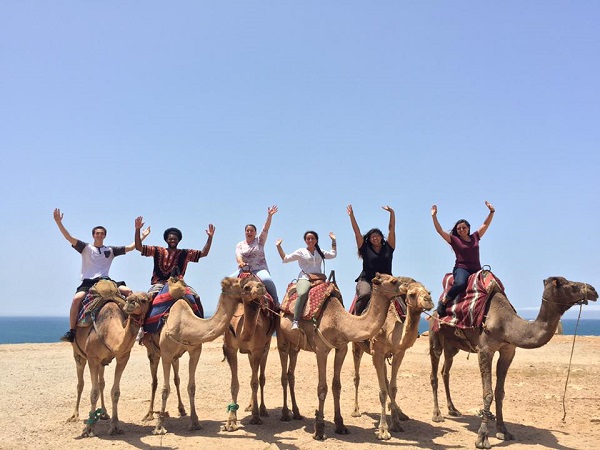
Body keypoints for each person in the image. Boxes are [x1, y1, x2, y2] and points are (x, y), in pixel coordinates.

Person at [54, 208, 150, 342]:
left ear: (105, 236)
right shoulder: (85, 248)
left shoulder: (110, 250)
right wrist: (59, 222)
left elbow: (130, 247)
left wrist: (142, 234)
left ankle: (136, 325)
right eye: (97, 233)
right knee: (76, 299)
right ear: (93, 235)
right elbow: (69, 238)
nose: (99, 235)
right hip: (89, 283)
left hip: (106, 281)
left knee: (129, 292)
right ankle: (72, 331)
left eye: (102, 233)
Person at [431, 201, 496, 316]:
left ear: (468, 228)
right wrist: (434, 216)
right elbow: (439, 231)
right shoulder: (454, 240)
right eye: (459, 229)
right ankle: (444, 302)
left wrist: (491, 212)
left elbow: (485, 225)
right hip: (462, 269)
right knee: (460, 283)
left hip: (477, 269)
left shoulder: (475, 236)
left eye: (463, 228)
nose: (461, 230)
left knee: (493, 284)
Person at [134, 216, 215, 303]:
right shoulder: (157, 250)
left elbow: (203, 253)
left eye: (175, 239)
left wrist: (210, 237)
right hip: (159, 284)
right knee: (149, 299)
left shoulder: (185, 253)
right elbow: (139, 247)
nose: (172, 240)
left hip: (178, 285)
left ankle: (200, 316)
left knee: (195, 297)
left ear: (178, 240)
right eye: (170, 239)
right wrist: (137, 229)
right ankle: (144, 317)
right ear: (166, 240)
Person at [276, 230, 336, 329]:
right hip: (305, 278)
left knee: (332, 293)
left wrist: (334, 241)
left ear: (316, 240)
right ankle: (295, 320)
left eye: (312, 238)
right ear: (305, 241)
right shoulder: (301, 252)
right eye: (308, 238)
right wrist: (278, 246)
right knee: (303, 293)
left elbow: (333, 254)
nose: (310, 240)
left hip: (319, 279)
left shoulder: (320, 252)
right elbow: (286, 259)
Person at [347, 205, 396, 315]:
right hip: (367, 280)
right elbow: (357, 232)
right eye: (372, 236)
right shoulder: (365, 248)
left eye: (377, 236)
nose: (375, 238)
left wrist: (392, 213)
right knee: (365, 294)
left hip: (386, 281)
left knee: (403, 295)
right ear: (369, 239)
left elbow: (391, 229)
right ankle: (356, 317)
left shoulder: (389, 247)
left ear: (381, 237)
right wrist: (352, 216)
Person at [231, 205, 280, 305]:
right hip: (244, 270)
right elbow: (238, 255)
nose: (249, 232)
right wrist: (240, 262)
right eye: (247, 231)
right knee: (227, 283)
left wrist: (269, 216)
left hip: (259, 269)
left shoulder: (260, 240)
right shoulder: (240, 244)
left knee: (267, 280)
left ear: (255, 232)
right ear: (245, 232)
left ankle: (276, 302)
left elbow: (265, 229)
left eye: (251, 231)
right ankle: (224, 309)